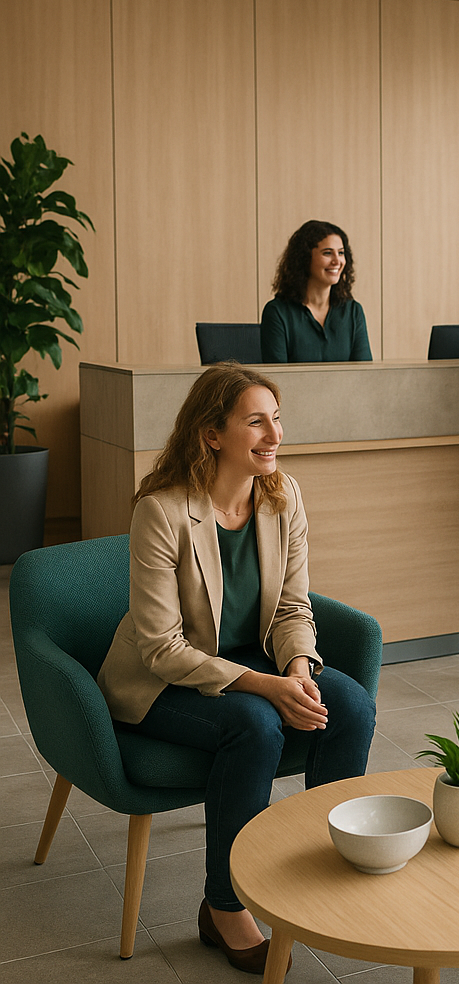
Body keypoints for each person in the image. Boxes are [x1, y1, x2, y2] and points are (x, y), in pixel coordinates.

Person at [97, 362, 376, 976]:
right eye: (256, 421)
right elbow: (160, 647)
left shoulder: (284, 495)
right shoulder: (163, 511)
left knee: (350, 705)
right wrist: (267, 685)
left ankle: (320, 874)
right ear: (212, 434)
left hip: (250, 657)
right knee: (256, 725)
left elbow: (292, 609)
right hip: (162, 678)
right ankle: (222, 905)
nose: (274, 433)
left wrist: (299, 666)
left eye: (277, 418)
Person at [260, 220, 372, 363]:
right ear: (305, 258)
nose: (337, 261)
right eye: (327, 253)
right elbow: (276, 381)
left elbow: (365, 376)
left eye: (341, 253)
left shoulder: (353, 312)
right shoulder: (277, 312)